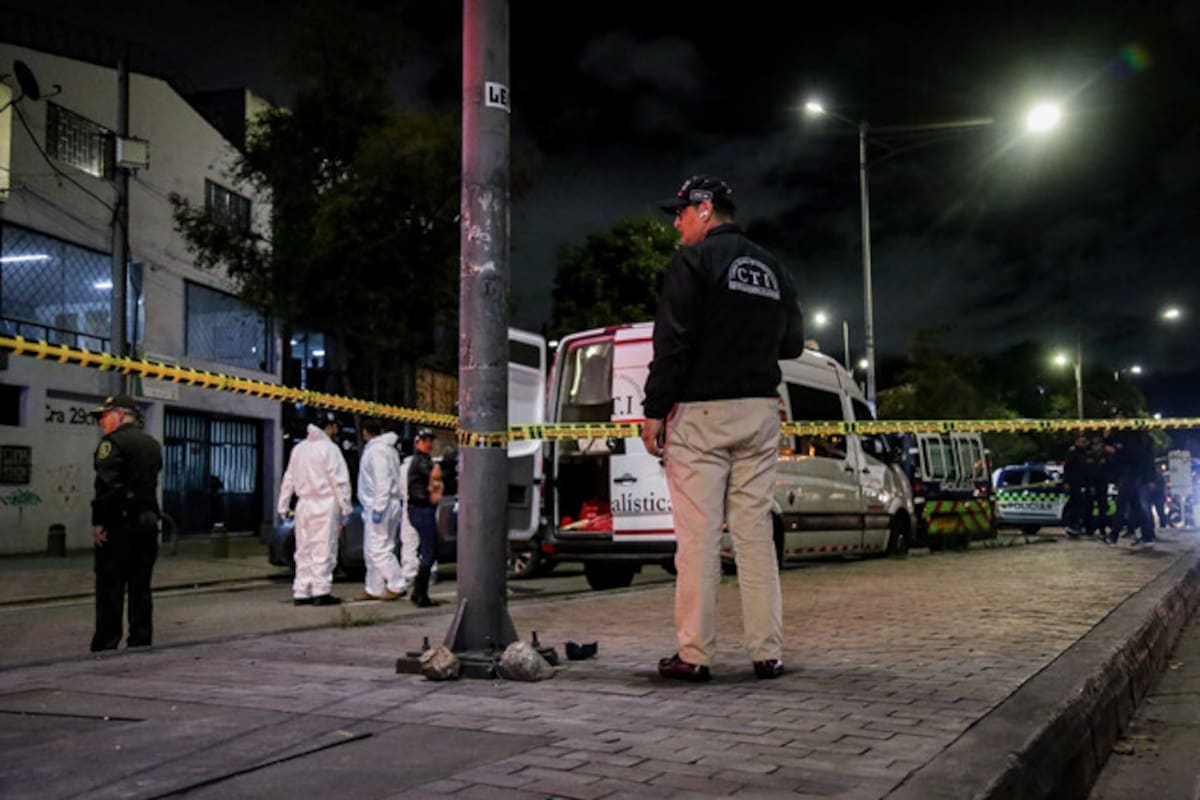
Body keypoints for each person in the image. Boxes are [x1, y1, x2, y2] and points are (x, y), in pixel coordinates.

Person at [641, 174, 805, 682]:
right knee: (755, 535)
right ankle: (767, 652)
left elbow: (673, 343)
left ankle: (694, 655)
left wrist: (653, 410)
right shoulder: (774, 268)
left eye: (682, 212)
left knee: (698, 538)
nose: (677, 222)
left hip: (703, 416)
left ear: (706, 209)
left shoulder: (694, 262)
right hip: (760, 412)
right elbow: (794, 344)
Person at [89, 394, 163, 652]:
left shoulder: (112, 444)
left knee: (110, 587)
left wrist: (100, 523)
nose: (102, 422)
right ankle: (141, 639)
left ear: (120, 414)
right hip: (148, 522)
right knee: (141, 586)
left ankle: (107, 643)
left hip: (120, 523)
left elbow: (107, 487)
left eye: (104, 416)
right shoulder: (152, 444)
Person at [277, 414, 352, 605]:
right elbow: (339, 481)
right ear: (329, 427)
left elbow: (289, 479)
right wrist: (346, 507)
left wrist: (283, 505)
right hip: (325, 503)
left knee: (303, 549)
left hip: (303, 504)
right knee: (323, 547)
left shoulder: (299, 449)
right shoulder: (330, 449)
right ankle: (321, 590)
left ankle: (301, 590)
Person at [354, 419, 405, 601]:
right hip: (385, 504)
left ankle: (396, 583)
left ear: (366, 432)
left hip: (380, 505)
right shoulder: (387, 449)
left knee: (378, 549)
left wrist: (378, 507)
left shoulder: (377, 451)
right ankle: (374, 587)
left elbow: (382, 481)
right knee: (376, 548)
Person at [406, 428, 443, 607]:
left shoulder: (424, 460)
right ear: (418, 441)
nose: (429, 443)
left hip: (422, 509)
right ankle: (420, 595)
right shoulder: (420, 461)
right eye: (425, 440)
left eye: (430, 440)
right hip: (421, 509)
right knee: (430, 551)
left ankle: (419, 593)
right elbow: (434, 475)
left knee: (429, 550)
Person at [1061, 433, 1091, 537]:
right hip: (1074, 483)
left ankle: (1076, 525)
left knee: (1080, 505)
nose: (1084, 443)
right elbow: (1067, 468)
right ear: (1077, 441)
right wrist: (1066, 481)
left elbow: (1085, 470)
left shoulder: (1084, 453)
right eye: (1082, 441)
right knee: (1075, 504)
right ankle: (1070, 525)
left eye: (1085, 441)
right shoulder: (1072, 452)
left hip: (1081, 483)